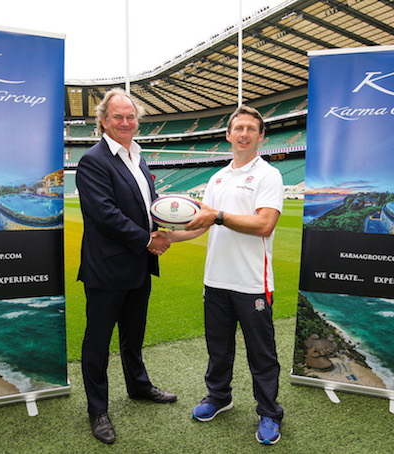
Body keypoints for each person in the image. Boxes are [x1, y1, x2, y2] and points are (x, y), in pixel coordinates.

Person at [168, 105, 285, 445]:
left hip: (252, 284)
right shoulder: (217, 177)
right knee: (218, 349)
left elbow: (265, 224)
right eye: (239, 128)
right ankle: (219, 397)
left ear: (261, 136)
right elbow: (201, 225)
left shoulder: (268, 176)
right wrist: (169, 237)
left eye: (251, 128)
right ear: (229, 135)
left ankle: (268, 413)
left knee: (261, 355)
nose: (244, 133)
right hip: (216, 282)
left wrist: (218, 215)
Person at [76, 88, 176, 445]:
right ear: (103, 120)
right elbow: (105, 216)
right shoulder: (93, 160)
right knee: (98, 342)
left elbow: (144, 203)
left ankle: (138, 386)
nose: (125, 122)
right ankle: (97, 409)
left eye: (130, 117)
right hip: (107, 270)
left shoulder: (137, 156)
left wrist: (171, 212)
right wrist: (148, 239)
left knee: (133, 337)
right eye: (117, 117)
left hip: (137, 266)